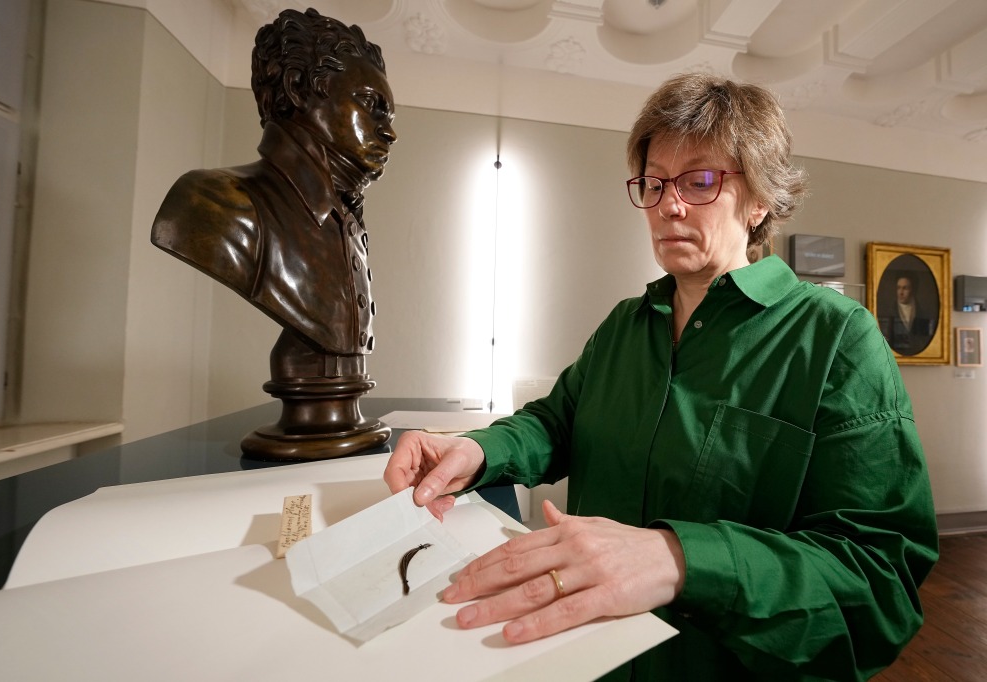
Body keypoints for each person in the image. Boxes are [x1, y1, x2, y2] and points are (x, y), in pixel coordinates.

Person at [384, 73, 938, 680]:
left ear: (760, 202)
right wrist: (476, 450)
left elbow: (879, 579)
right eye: (654, 183)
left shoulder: (835, 339)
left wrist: (681, 559)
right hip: (587, 658)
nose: (669, 205)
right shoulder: (627, 324)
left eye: (700, 181)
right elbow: (555, 421)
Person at [151, 8, 396, 377]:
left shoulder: (347, 223)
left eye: (389, 117)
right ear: (298, 87)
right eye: (370, 104)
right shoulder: (212, 201)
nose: (390, 132)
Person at [878, 272, 935, 355]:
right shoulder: (887, 312)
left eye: (905, 288)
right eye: (898, 288)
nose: (901, 292)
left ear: (913, 289)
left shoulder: (924, 313)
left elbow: (925, 339)